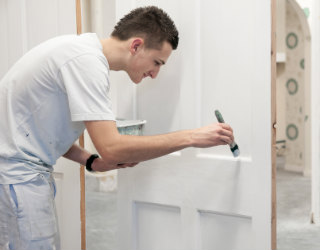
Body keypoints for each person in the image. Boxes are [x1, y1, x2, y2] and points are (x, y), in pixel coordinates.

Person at [0, 6, 234, 250]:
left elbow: (42, 130)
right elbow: (112, 148)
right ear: (135, 46)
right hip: (18, 178)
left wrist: (91, 161)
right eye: (157, 62)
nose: (155, 73)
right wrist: (192, 136)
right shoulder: (86, 63)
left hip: (19, 175)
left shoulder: (81, 53)